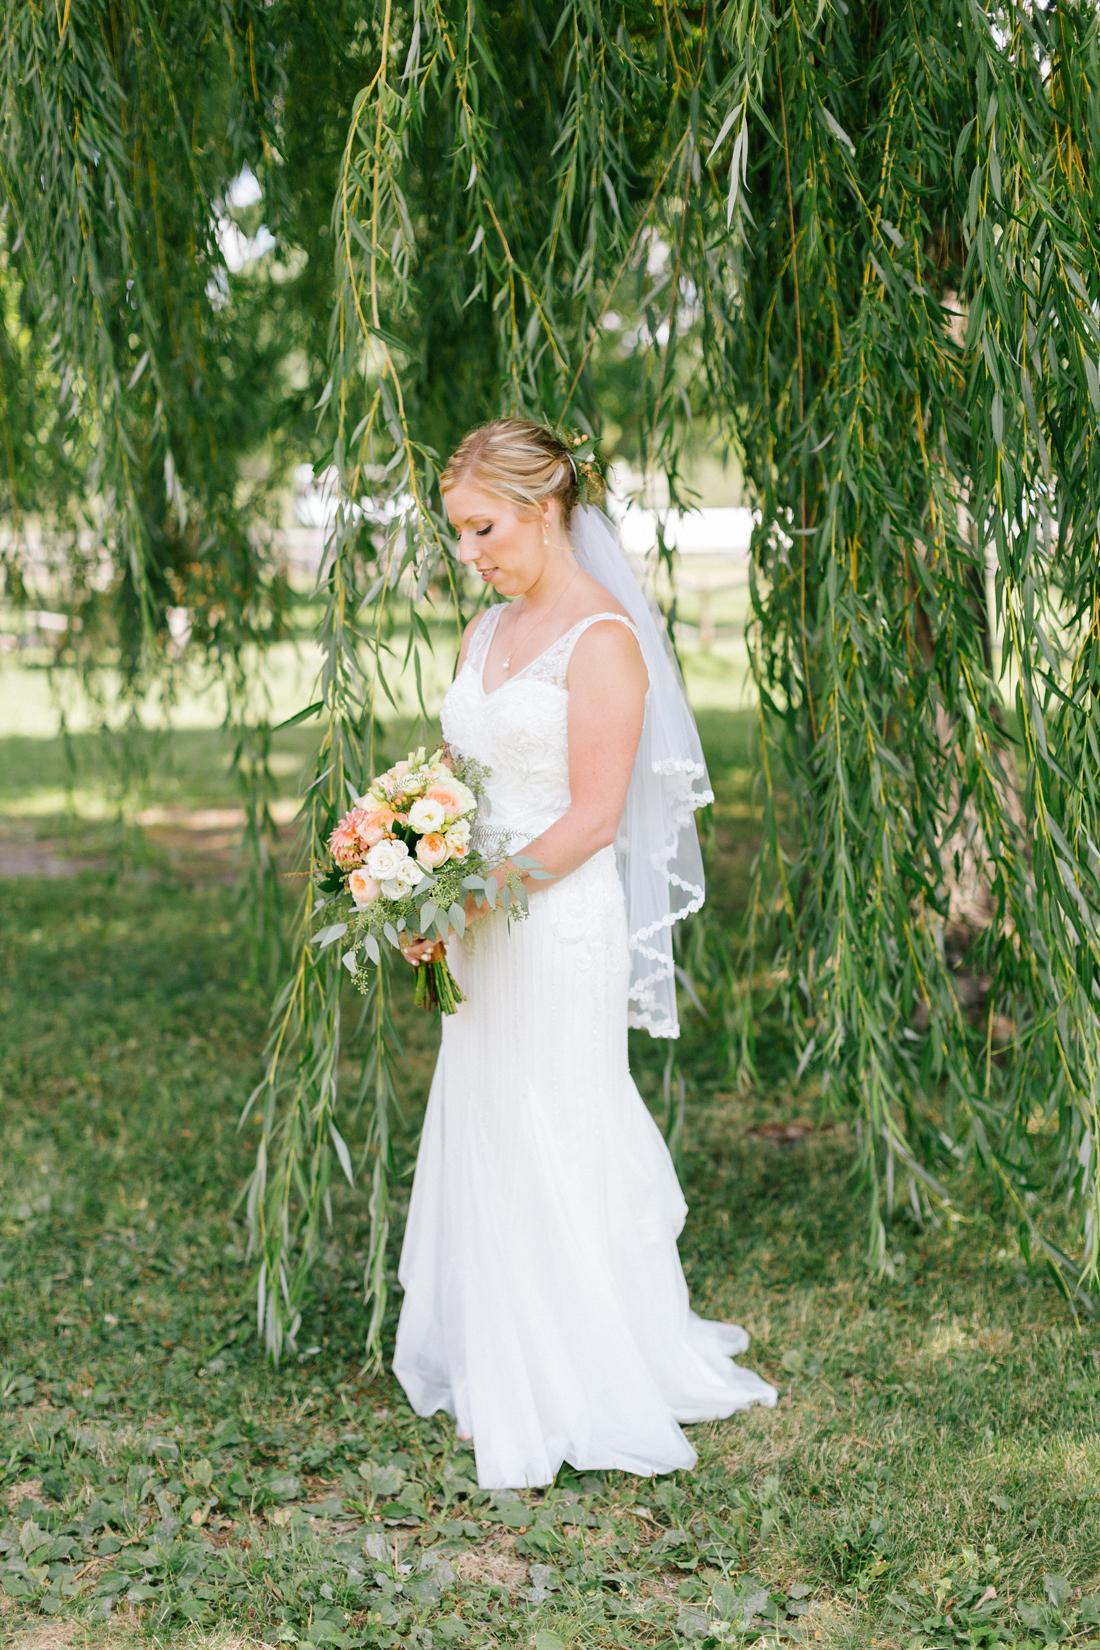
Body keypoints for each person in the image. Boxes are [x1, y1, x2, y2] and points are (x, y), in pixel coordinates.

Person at [392, 419, 776, 1489]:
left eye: (481, 528)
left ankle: (574, 1373)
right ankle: (495, 1351)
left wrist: (474, 899)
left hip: (555, 922)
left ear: (546, 509)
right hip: (482, 918)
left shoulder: (601, 639)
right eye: (457, 533)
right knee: (485, 1110)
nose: (468, 553)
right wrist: (414, 865)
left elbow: (592, 818)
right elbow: (464, 784)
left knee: (555, 1116)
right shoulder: (482, 633)